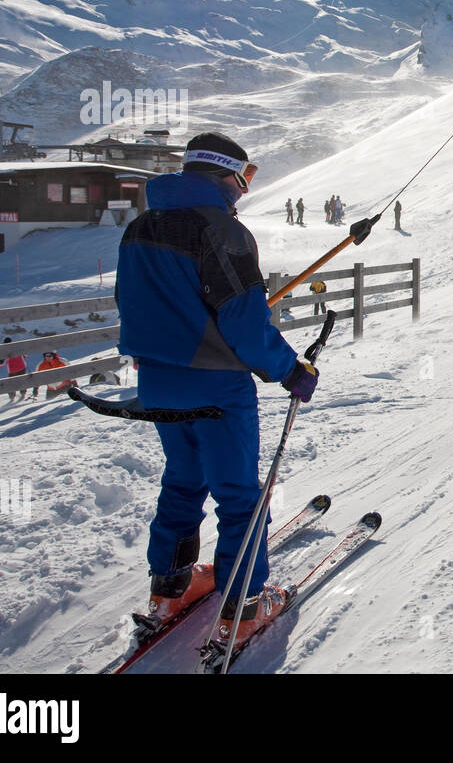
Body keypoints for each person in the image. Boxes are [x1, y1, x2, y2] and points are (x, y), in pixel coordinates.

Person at [116, 132, 321, 647]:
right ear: (227, 175)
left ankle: (171, 587)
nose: (245, 190)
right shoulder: (223, 231)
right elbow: (245, 326)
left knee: (184, 479)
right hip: (215, 386)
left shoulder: (141, 226)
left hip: (159, 381)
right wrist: (289, 369)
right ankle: (244, 605)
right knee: (239, 495)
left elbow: (132, 301)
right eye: (245, 178)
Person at [0, 337, 30, 402]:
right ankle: (23, 393)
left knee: (11, 384)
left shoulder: (5, 352)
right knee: (22, 381)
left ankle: (12, 397)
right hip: (22, 367)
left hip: (12, 371)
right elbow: (26, 355)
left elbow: (2, 363)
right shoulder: (18, 348)